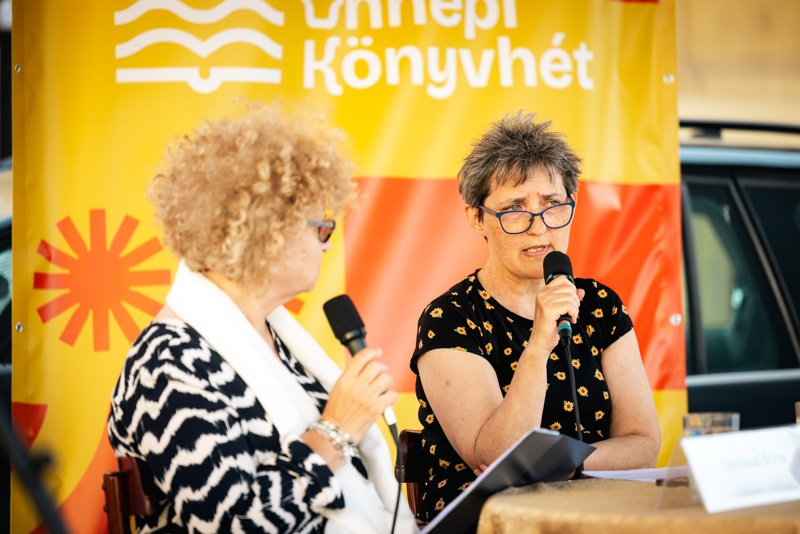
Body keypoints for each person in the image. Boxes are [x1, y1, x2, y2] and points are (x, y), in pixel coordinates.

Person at [107, 102, 416, 533]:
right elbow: (232, 524)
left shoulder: (275, 338)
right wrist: (337, 429)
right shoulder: (167, 363)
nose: (327, 244)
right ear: (268, 232)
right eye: (321, 227)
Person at [410, 112, 661, 522]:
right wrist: (540, 342)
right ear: (477, 218)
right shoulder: (450, 317)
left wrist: (564, 467)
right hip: (492, 521)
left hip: (596, 516)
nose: (539, 228)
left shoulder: (599, 304)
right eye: (514, 209)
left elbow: (644, 446)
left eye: (552, 205)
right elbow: (497, 458)